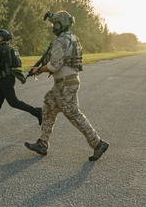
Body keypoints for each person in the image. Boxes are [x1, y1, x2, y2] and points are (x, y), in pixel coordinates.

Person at [25, 10, 109, 162]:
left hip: (66, 84)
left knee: (73, 115)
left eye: (55, 24)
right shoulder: (72, 38)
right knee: (48, 107)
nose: (53, 27)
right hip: (64, 83)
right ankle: (42, 143)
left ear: (61, 24)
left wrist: (38, 70)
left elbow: (54, 66)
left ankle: (98, 143)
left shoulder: (61, 41)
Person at [0, 29, 42, 130]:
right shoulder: (9, 48)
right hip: (6, 79)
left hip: (4, 80)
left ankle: (37, 112)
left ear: (1, 38)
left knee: (14, 102)